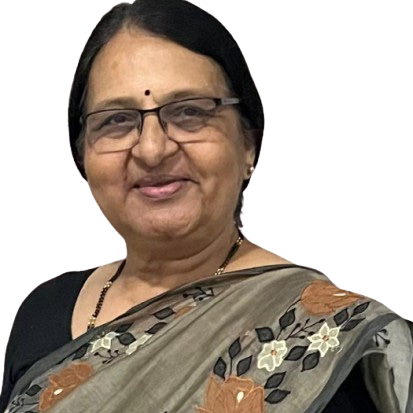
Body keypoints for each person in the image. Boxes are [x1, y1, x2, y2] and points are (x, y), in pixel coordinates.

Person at [1, 0, 412, 412]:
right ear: (83, 154)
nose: (152, 149)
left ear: (248, 143)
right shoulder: (44, 312)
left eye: (189, 113)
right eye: (117, 120)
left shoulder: (332, 341)